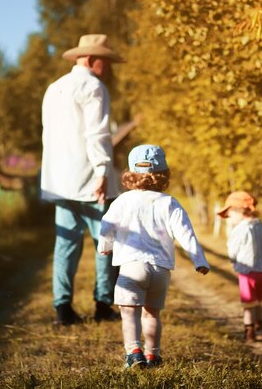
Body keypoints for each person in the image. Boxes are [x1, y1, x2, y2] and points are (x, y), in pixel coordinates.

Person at [98, 144, 210, 368]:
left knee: (129, 311)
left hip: (132, 266)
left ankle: (134, 352)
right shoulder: (169, 203)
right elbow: (185, 233)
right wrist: (199, 260)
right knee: (151, 314)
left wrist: (105, 245)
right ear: (163, 174)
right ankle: (153, 355)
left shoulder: (122, 201)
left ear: (131, 173)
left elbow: (107, 226)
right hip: (160, 270)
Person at [41, 34, 125, 325]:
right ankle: (103, 304)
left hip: (59, 179)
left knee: (65, 244)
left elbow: (49, 134)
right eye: (106, 61)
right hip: (90, 177)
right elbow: (97, 134)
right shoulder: (93, 87)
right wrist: (103, 170)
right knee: (105, 242)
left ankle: (62, 309)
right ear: (92, 60)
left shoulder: (54, 88)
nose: (109, 68)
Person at [217, 191, 262, 342]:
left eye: (230, 215)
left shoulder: (240, 229)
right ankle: (260, 328)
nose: (229, 219)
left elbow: (232, 249)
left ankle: (249, 332)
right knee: (258, 301)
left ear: (240, 211)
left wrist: (233, 261)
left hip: (247, 271)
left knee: (248, 303)